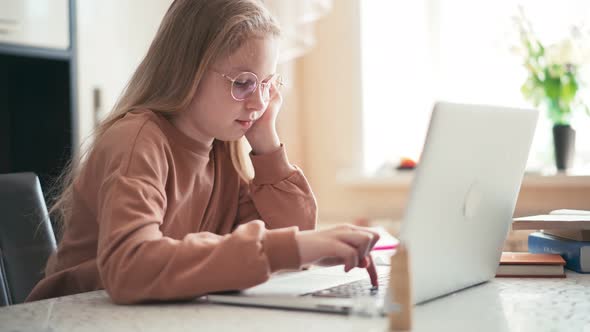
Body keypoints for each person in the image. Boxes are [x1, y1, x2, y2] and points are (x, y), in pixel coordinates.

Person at [27, 0, 380, 304]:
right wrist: (298, 247)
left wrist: (266, 141)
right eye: (243, 83)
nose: (259, 102)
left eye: (267, 84)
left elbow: (290, 234)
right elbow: (130, 267)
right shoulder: (138, 140)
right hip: (73, 315)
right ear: (188, 72)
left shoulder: (221, 150)